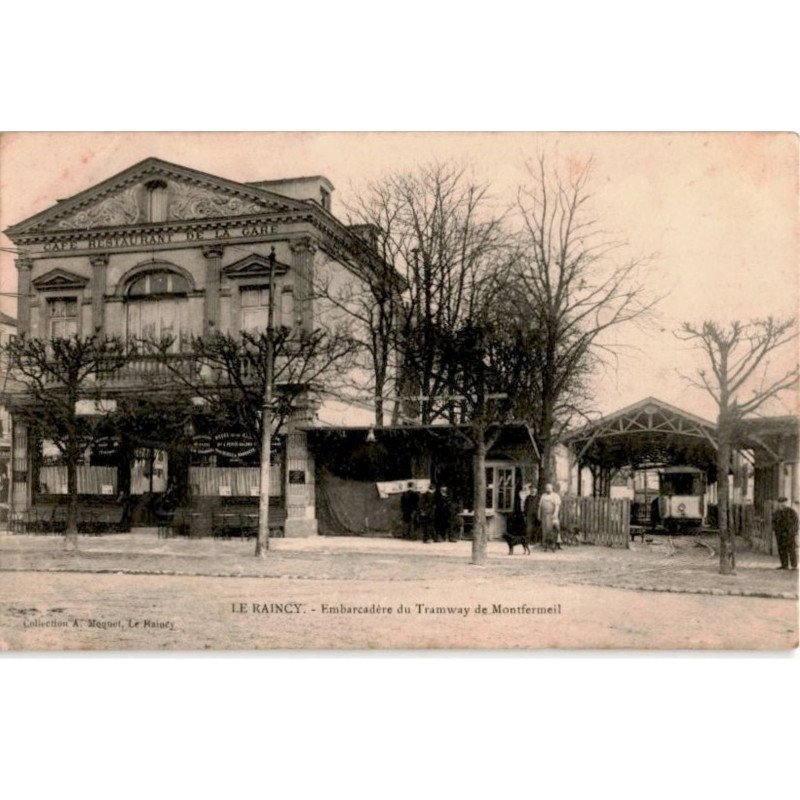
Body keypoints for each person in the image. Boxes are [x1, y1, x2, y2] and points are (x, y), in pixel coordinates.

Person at [771, 496, 798, 570]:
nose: (782, 504)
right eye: (780, 503)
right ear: (778, 504)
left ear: (786, 503)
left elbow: (796, 522)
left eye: (784, 503)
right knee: (782, 550)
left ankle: (794, 565)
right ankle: (784, 565)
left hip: (789, 534)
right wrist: (775, 530)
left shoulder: (791, 512)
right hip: (780, 534)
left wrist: (794, 531)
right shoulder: (776, 513)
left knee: (791, 549)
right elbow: (773, 522)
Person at [538, 482, 561, 551]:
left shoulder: (555, 496)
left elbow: (557, 506)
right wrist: (539, 514)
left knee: (551, 530)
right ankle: (545, 545)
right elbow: (540, 506)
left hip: (551, 515)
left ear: (552, 488)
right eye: (546, 488)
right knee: (544, 530)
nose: (548, 489)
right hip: (544, 516)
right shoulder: (543, 496)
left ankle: (553, 545)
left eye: (549, 488)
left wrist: (555, 514)